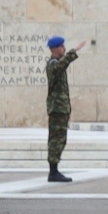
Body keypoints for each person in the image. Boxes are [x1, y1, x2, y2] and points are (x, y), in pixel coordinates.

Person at [44, 36, 86, 183]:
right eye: (62, 47)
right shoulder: (52, 65)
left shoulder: (57, 64)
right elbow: (61, 65)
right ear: (55, 49)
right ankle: (53, 172)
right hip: (56, 109)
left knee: (60, 139)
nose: (64, 49)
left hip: (60, 109)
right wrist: (75, 51)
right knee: (56, 140)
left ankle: (54, 170)